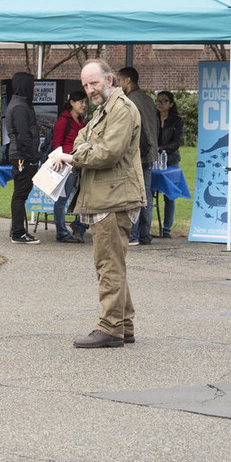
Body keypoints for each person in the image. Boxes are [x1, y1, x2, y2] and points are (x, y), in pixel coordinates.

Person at [54, 60, 145, 348]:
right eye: (85, 85)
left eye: (93, 83)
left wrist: (74, 157)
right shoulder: (103, 111)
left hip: (115, 198)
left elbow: (108, 152)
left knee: (108, 264)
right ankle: (124, 323)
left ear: (110, 80)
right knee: (113, 262)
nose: (89, 90)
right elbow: (83, 139)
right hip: (107, 195)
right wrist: (80, 150)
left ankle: (110, 327)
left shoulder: (122, 109)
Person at [117, 66, 158, 246]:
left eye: (119, 80)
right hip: (150, 153)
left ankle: (132, 235)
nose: (118, 84)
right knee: (146, 194)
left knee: (134, 196)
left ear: (128, 81)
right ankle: (144, 234)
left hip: (136, 154)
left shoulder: (128, 101)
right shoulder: (148, 100)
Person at [6, 71, 41, 244]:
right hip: (23, 157)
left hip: (21, 155)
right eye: (32, 86)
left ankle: (16, 229)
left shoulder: (19, 104)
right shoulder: (20, 107)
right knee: (20, 195)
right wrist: (34, 157)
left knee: (19, 194)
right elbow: (23, 136)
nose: (34, 90)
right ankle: (18, 232)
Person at [51, 89, 89, 243]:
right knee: (61, 201)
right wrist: (60, 159)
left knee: (85, 198)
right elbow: (56, 144)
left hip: (79, 166)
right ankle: (61, 232)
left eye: (86, 102)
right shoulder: (63, 121)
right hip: (67, 167)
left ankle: (78, 226)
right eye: (81, 102)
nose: (84, 105)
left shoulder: (81, 122)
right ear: (72, 103)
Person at [156, 90, 183, 238]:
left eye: (164, 101)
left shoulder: (177, 121)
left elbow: (177, 142)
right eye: (158, 100)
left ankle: (167, 229)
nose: (160, 103)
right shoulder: (152, 118)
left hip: (171, 161)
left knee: (169, 195)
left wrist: (161, 149)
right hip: (153, 161)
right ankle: (142, 227)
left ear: (171, 104)